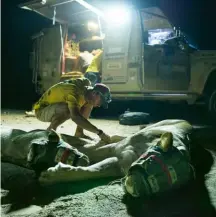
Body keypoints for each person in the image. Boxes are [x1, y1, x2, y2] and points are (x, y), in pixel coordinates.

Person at [32, 77, 112, 143]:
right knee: (67, 108)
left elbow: (83, 89)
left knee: (89, 102)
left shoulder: (86, 84)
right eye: (101, 101)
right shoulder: (73, 92)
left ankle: (79, 133)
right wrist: (100, 133)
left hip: (56, 106)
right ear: (95, 93)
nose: (99, 105)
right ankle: (49, 133)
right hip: (41, 110)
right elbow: (76, 117)